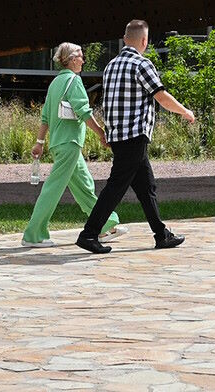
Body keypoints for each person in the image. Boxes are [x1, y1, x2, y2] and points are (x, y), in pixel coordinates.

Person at [75, 19, 196, 254]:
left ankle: (161, 234)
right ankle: (88, 234)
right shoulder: (142, 64)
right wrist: (185, 112)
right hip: (135, 135)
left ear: (124, 39)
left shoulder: (111, 66)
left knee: (146, 187)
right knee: (116, 187)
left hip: (118, 136)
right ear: (144, 41)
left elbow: (108, 103)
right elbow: (161, 96)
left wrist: (108, 132)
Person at [21, 42, 123, 247]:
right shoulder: (74, 81)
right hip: (70, 144)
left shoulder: (55, 83)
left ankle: (105, 225)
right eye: (81, 57)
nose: (83, 61)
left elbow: (45, 117)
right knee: (52, 189)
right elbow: (84, 112)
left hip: (62, 144)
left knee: (85, 186)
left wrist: (39, 143)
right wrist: (101, 134)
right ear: (72, 59)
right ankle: (33, 235)